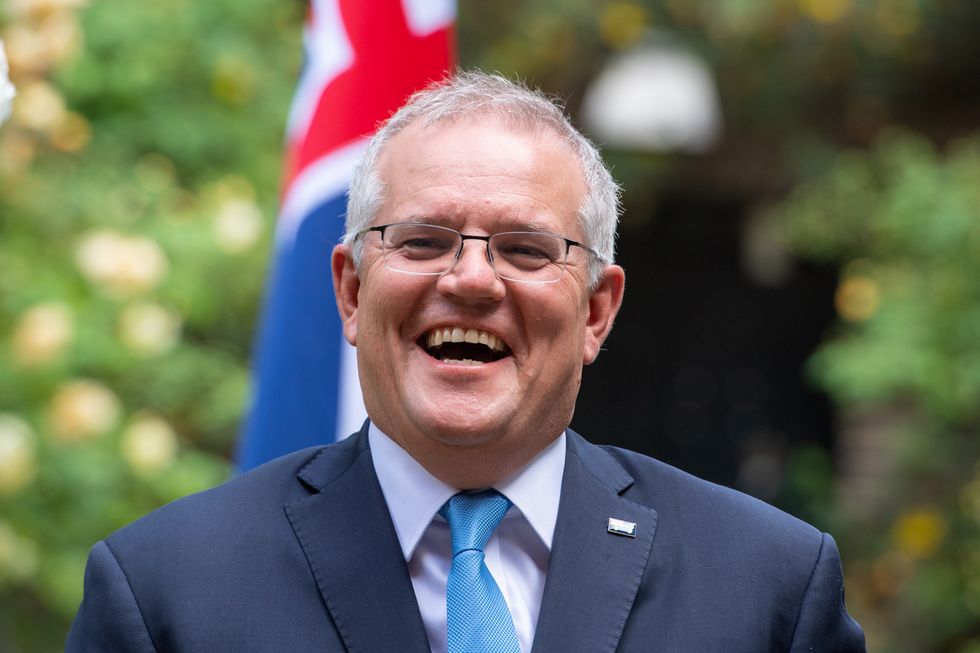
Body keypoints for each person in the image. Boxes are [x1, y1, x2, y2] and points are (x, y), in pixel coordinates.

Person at [67, 71, 865, 652]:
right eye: (422, 240)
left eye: (526, 249)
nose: (472, 279)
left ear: (596, 310)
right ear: (351, 291)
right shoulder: (165, 590)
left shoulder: (769, 588)